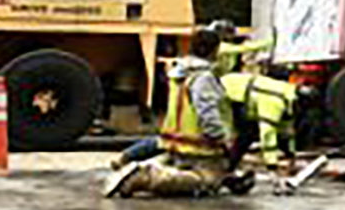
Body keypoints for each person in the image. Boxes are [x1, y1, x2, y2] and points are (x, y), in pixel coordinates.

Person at [107, 25, 253, 198]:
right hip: (198, 148)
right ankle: (145, 176)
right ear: (214, 50)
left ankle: (145, 166)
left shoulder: (179, 73)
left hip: (175, 143)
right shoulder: (203, 78)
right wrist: (221, 138)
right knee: (207, 182)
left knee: (190, 169)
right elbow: (206, 112)